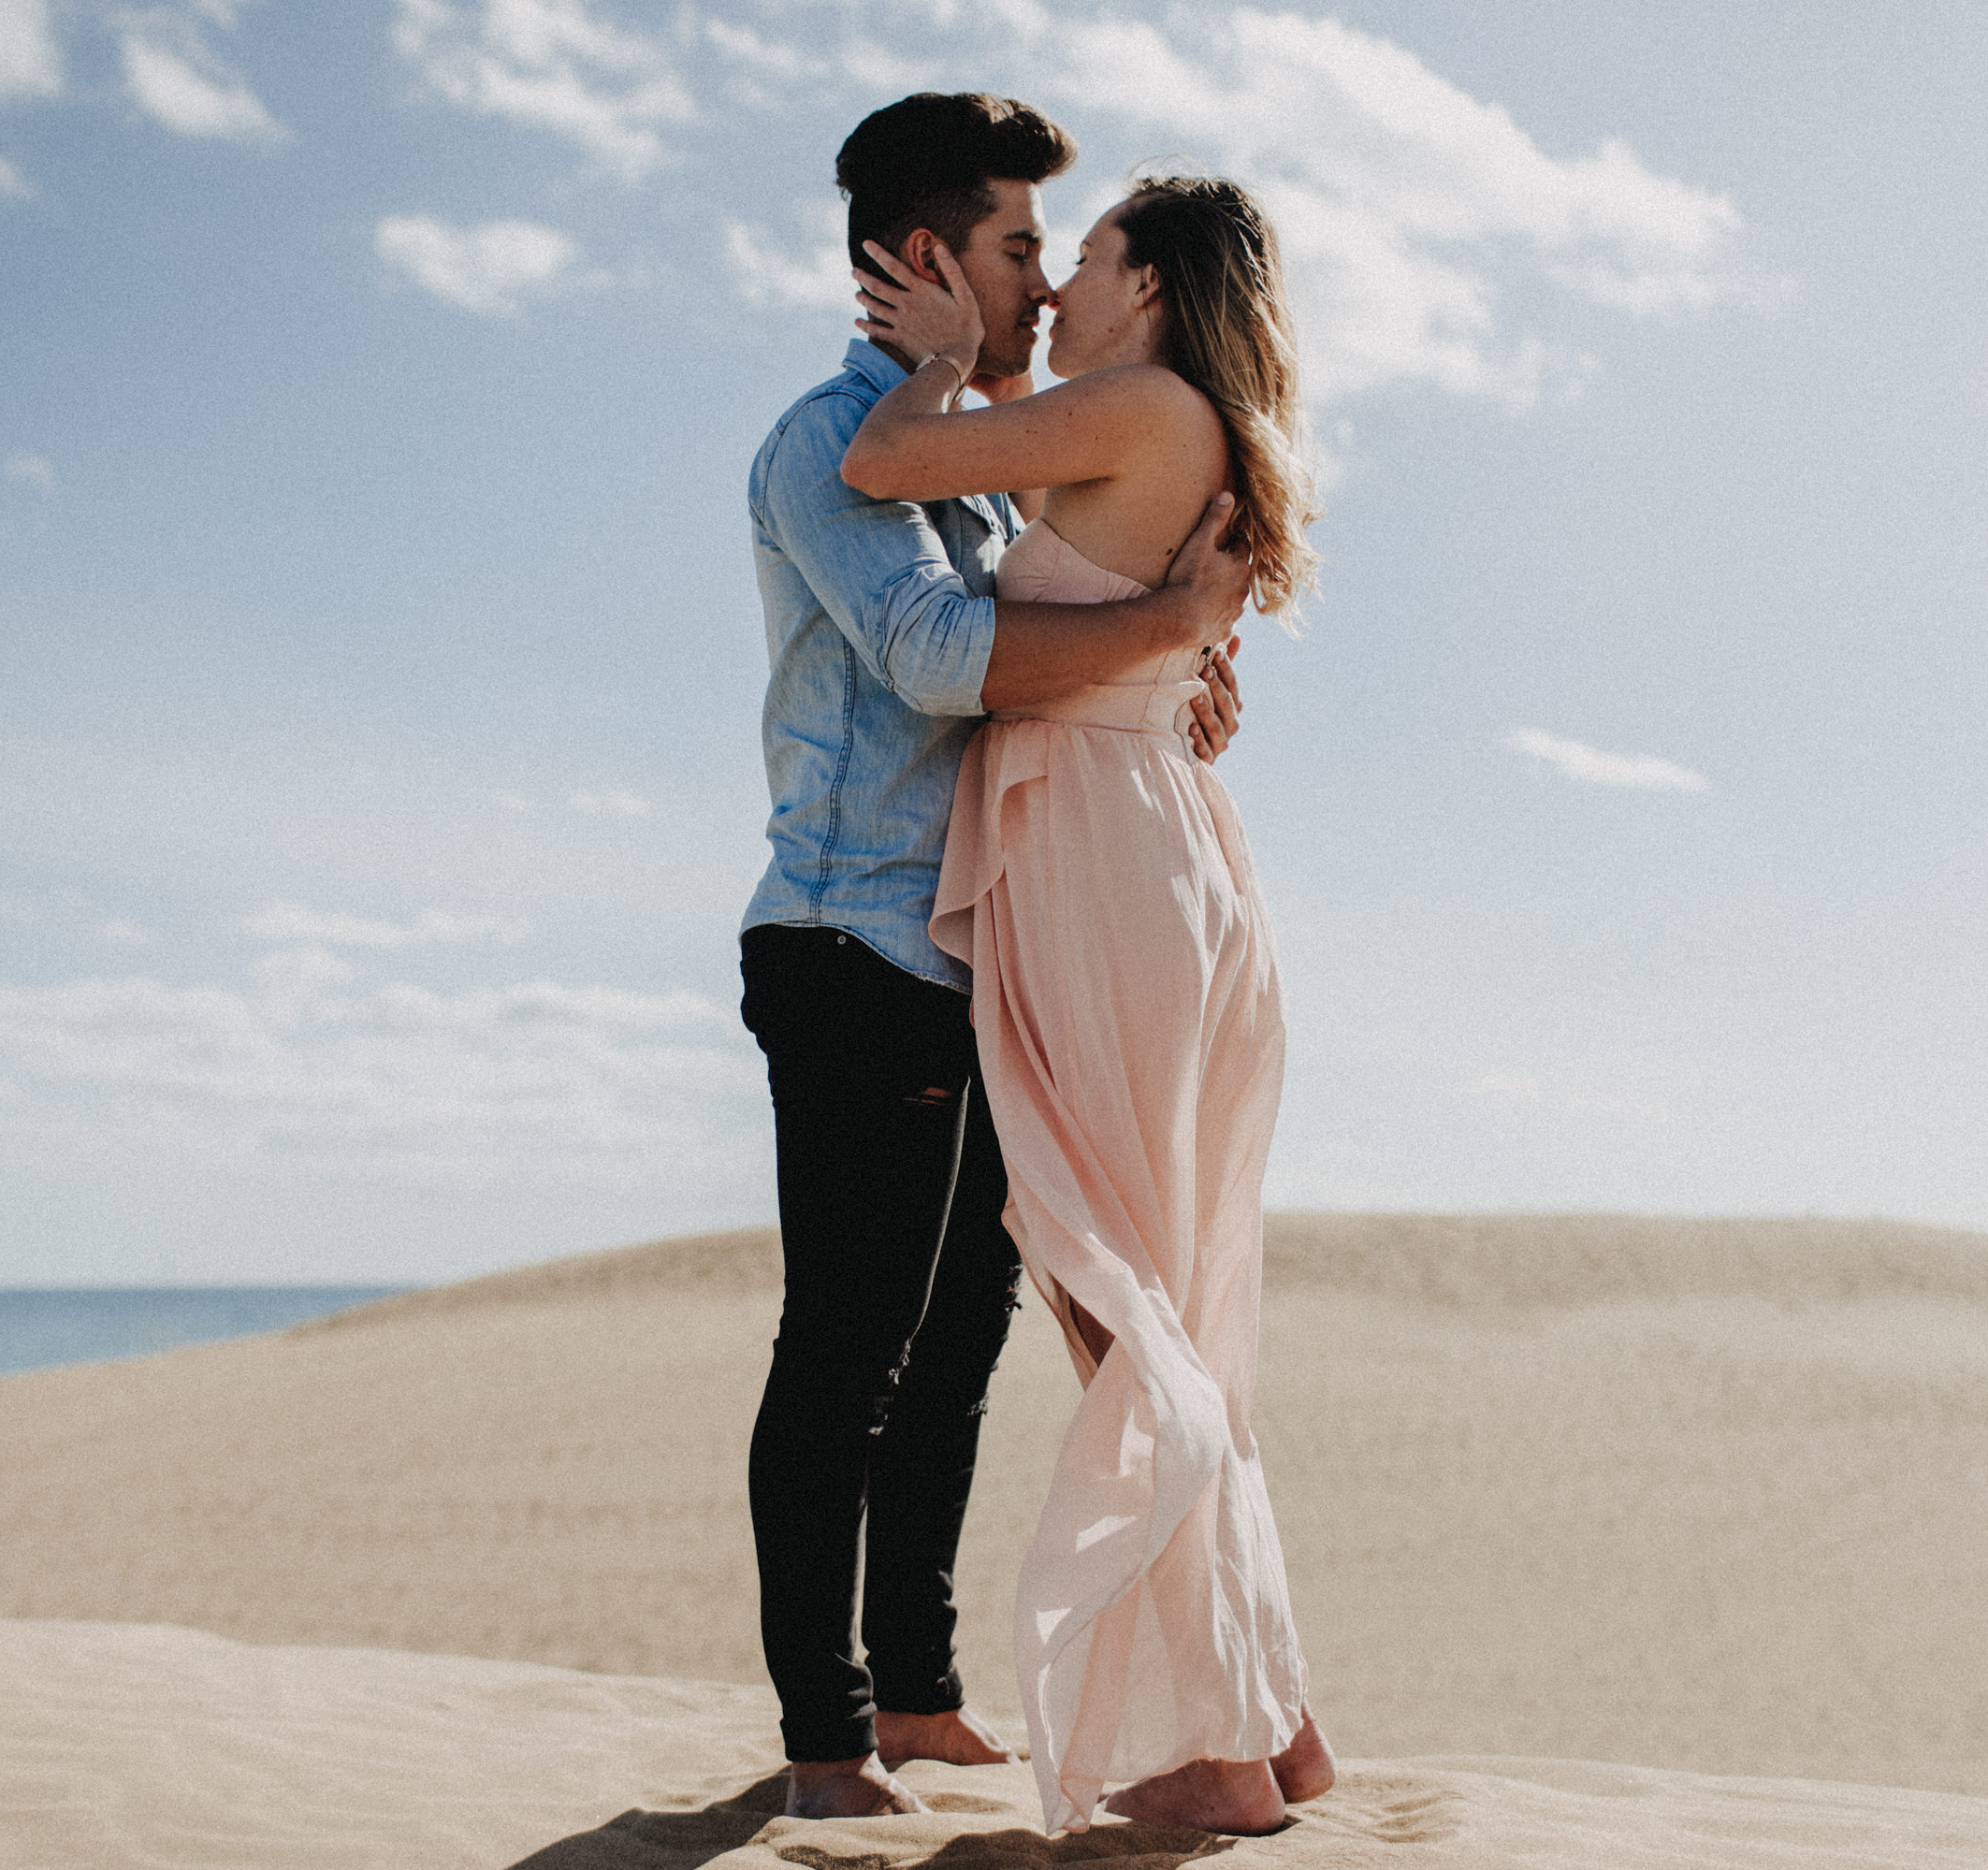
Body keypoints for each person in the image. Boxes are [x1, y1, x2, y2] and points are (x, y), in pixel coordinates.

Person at [738, 93, 1255, 1822]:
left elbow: (1053, 597)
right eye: (1022, 248)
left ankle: (918, 1695)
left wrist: (1155, 667)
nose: (1045, 283)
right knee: (848, 1346)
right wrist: (1162, 626)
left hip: (969, 951)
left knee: (955, 1340)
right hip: (846, 936)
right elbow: (937, 652)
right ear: (923, 259)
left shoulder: (989, 431)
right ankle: (823, 1737)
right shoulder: (828, 440)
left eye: (1054, 251)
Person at [840, 172, 1335, 1834]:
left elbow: (886, 467)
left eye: (1090, 254)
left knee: (1113, 1298)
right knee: (1148, 1302)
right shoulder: (1176, 423)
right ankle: (1271, 1720)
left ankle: (1215, 1755)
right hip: (1155, 857)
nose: (1058, 286)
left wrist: (939, 351)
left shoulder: (1133, 405)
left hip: (1109, 869)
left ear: (1153, 287)